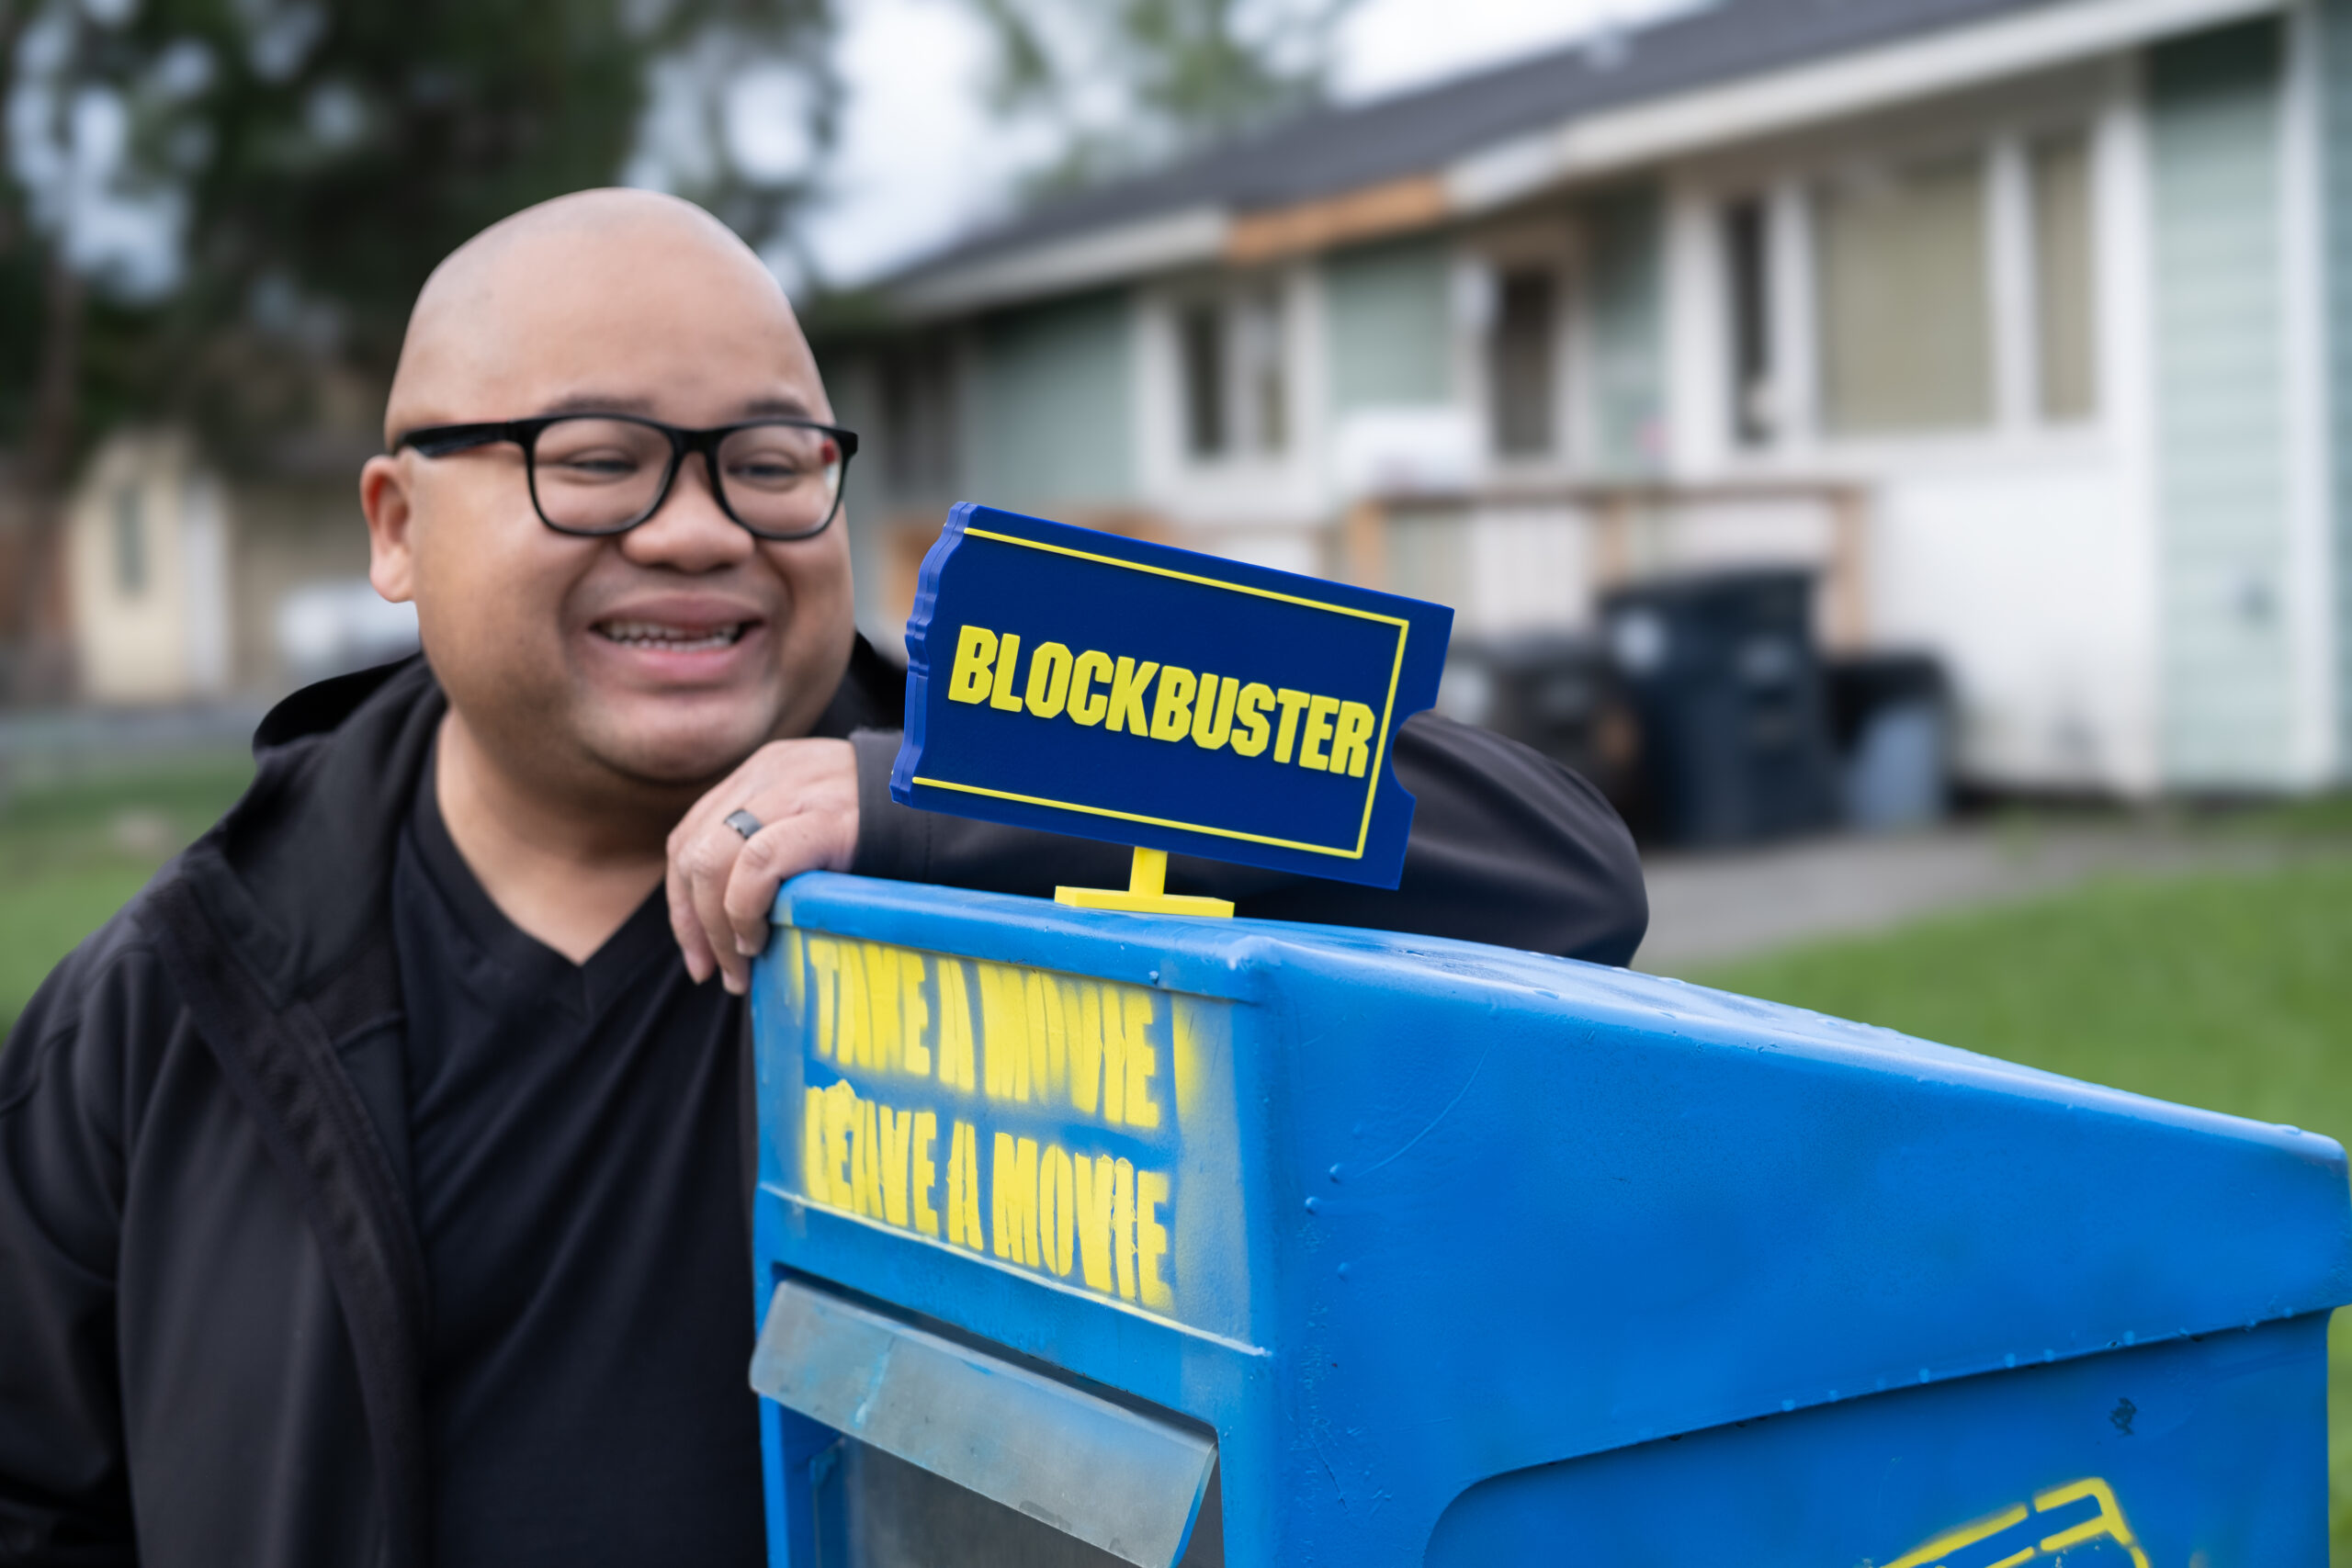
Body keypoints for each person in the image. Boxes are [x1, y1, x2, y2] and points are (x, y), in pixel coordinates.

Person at [0, 190, 1645, 1568]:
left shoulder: (996, 775)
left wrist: (927, 806)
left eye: (770, 461)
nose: (702, 529)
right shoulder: (164, 1003)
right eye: (594, 458)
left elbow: (1560, 864)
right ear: (394, 525)